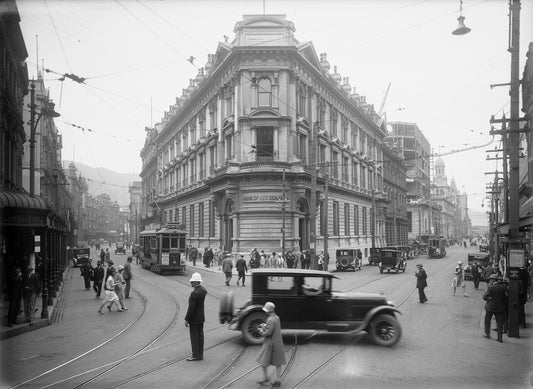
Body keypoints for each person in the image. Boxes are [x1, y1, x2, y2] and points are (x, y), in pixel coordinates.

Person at [256, 302, 286, 387]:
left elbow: (268, 333)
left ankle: (265, 377)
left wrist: (261, 331)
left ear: (268, 311)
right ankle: (278, 379)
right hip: (278, 342)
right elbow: (273, 327)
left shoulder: (270, 319)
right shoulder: (277, 317)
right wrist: (265, 326)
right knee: (278, 362)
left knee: (262, 359)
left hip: (270, 343)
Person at [184, 272, 207, 361]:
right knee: (200, 336)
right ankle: (200, 354)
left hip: (194, 319)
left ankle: (195, 355)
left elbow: (191, 308)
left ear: (196, 282)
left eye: (192, 281)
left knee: (194, 337)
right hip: (201, 318)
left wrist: (187, 319)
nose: (191, 282)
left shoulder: (194, 294)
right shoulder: (203, 290)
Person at [483, 274, 508, 342]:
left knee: (487, 320)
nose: (490, 280)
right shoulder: (503, 288)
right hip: (500, 308)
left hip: (490, 307)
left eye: (491, 279)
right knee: (499, 323)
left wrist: (489, 299)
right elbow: (506, 298)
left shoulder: (490, 287)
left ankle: (487, 333)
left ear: (493, 280)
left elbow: (484, 296)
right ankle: (500, 338)